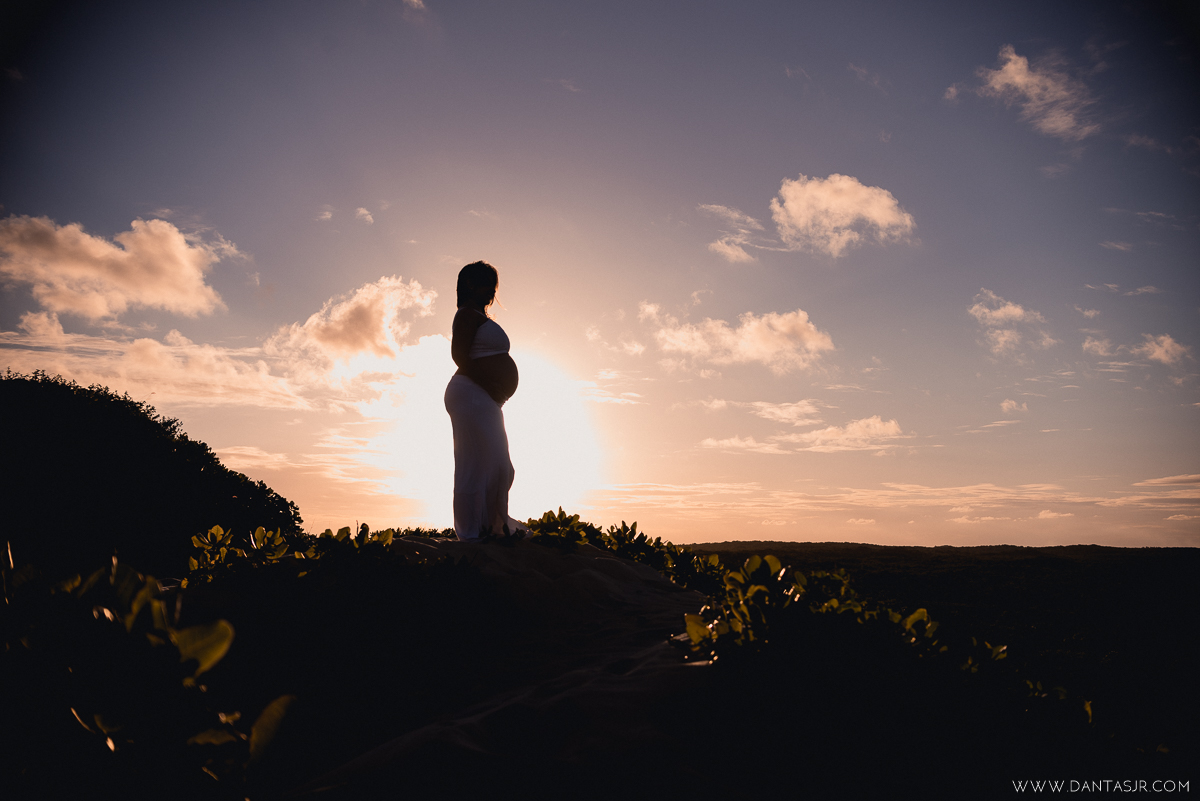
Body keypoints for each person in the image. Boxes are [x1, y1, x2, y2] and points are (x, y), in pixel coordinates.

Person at [444, 261, 526, 541]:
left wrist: (495, 390)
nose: (491, 290)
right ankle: (470, 532)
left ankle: (489, 526)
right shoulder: (466, 314)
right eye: (486, 283)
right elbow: (460, 356)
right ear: (470, 284)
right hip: (470, 393)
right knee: (474, 465)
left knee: (499, 465)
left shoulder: (479, 315)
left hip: (484, 397)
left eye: (494, 284)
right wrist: (491, 385)